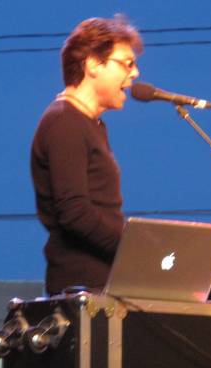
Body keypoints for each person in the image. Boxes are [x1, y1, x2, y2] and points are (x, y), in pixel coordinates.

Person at [30, 16, 142, 295]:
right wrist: (141, 251)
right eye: (127, 63)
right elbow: (75, 214)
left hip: (103, 285)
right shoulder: (64, 122)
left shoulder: (91, 125)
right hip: (83, 289)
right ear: (93, 63)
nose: (135, 73)